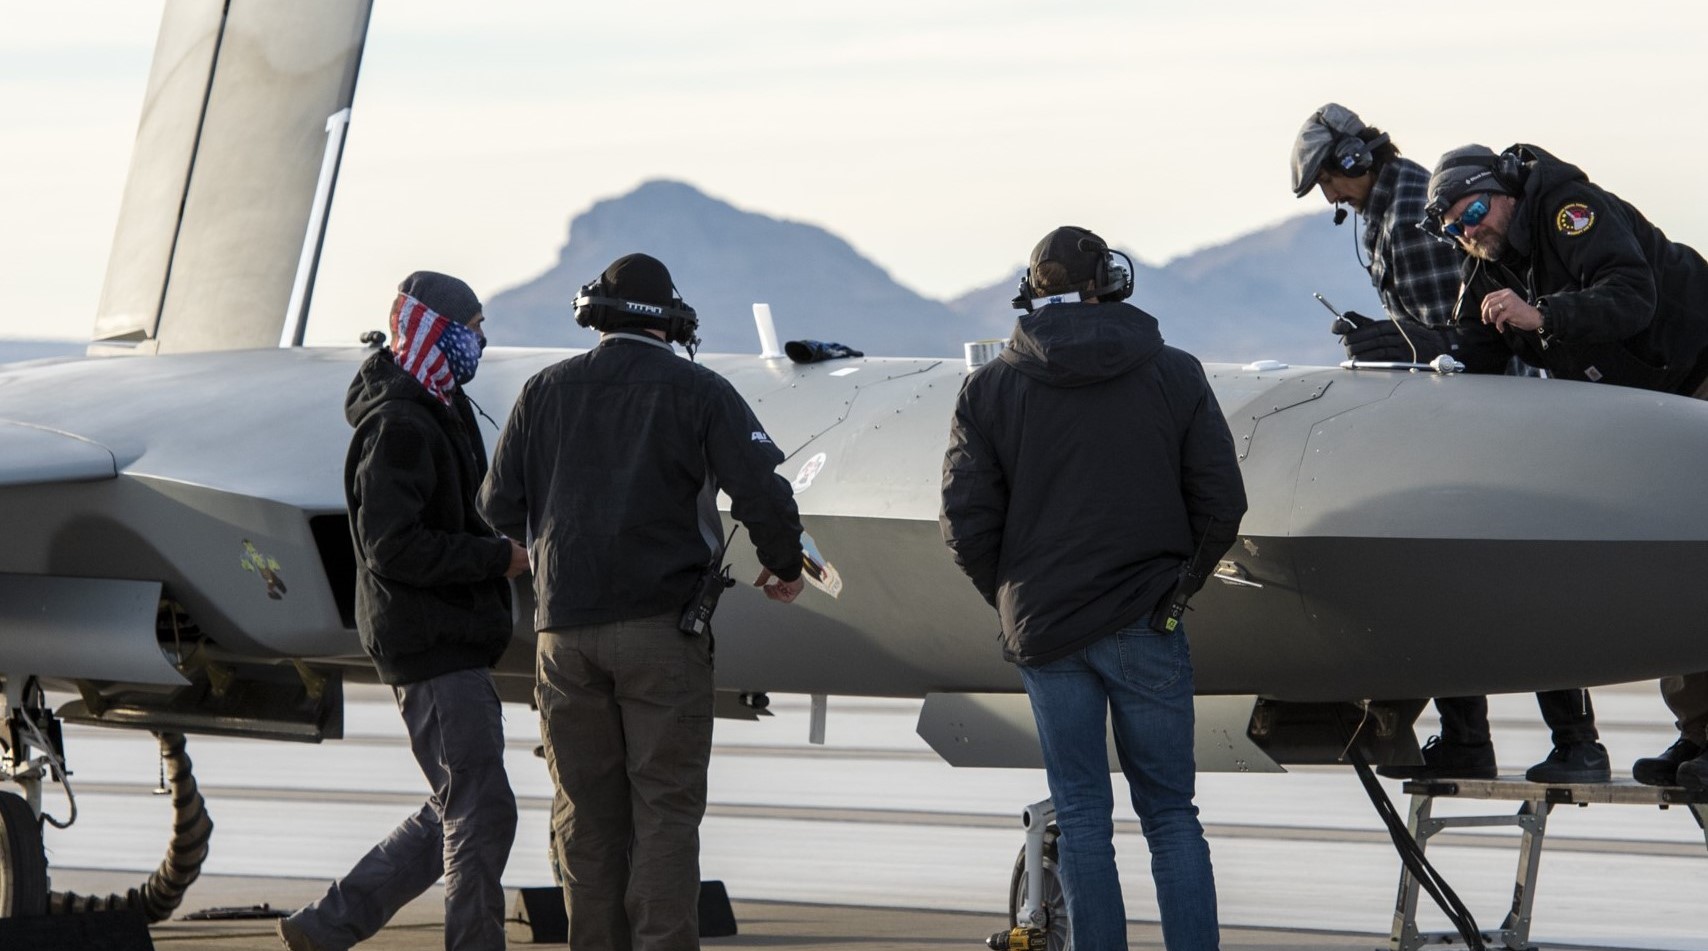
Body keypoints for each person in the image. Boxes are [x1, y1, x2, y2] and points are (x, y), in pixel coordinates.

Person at [478, 253, 806, 950]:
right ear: (671, 322)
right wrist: (784, 565)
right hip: (662, 632)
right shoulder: (700, 390)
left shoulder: (543, 391)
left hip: (562, 637)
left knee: (586, 813)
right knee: (664, 809)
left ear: (596, 315)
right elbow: (763, 491)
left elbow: (496, 505)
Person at [941, 226, 1247, 950]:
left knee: (1081, 815)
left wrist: (1014, 598)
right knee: (1171, 814)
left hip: (1046, 628)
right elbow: (1222, 502)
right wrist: (1176, 592)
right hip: (1147, 621)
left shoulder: (989, 387)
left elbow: (963, 521)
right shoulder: (1174, 373)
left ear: (1032, 292)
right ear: (1112, 283)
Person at [1292, 106, 1603, 784]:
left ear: (1352, 160)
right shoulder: (1388, 209)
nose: (1330, 196)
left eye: (1329, 179)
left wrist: (1403, 341)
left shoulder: (1413, 205)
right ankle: (1467, 737)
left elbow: (1466, 322)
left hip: (1494, 413)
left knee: (1524, 585)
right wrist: (1385, 335)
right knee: (1448, 586)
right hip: (1456, 417)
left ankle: (1577, 740)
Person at [1422, 143, 1708, 789]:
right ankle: (1700, 731)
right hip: (1655, 409)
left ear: (1505, 191)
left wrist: (1544, 315)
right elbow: (1470, 354)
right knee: (1677, 571)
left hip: (1698, 377)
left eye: (1474, 209)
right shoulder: (1491, 266)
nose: (1470, 230)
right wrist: (1408, 349)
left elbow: (1631, 295)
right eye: (1455, 226)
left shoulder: (1569, 210)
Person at [279, 272, 528, 951]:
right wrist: (496, 560)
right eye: (472, 326)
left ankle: (327, 925)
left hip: (447, 640)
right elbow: (393, 547)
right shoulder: (401, 425)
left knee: (465, 802)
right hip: (432, 640)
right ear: (439, 331)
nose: (481, 339)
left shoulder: (437, 409)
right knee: (480, 807)